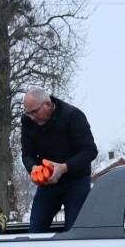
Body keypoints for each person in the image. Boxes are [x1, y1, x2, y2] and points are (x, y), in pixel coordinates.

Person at [21, 88, 98, 233]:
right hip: (47, 184)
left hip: (76, 182)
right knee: (35, 230)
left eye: (34, 112)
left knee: (75, 232)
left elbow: (90, 151)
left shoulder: (73, 116)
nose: (31, 117)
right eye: (27, 112)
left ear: (47, 105)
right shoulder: (27, 121)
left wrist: (63, 168)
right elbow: (27, 154)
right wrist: (33, 168)